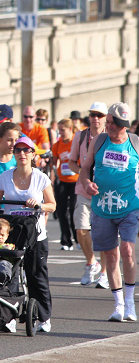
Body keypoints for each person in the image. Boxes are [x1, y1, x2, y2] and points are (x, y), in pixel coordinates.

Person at [79, 102, 139, 322]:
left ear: (124, 125)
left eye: (113, 123)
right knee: (111, 256)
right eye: (108, 121)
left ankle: (130, 303)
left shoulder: (135, 144)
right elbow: (85, 169)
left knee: (128, 251)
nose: (108, 125)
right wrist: (86, 183)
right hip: (102, 208)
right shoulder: (99, 141)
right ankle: (118, 305)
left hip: (130, 207)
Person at [0, 135, 56, 333]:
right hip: (11, 234)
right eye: (18, 150)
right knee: (9, 275)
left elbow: (52, 205)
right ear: (13, 154)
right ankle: (10, 316)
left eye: (26, 150)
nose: (22, 154)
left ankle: (44, 318)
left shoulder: (41, 178)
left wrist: (39, 204)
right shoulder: (4, 177)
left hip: (35, 235)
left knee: (36, 276)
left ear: (33, 154)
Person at [68, 102, 109, 288]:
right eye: (93, 114)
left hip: (106, 192)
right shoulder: (81, 136)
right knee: (81, 229)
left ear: (106, 118)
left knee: (103, 234)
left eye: (99, 115)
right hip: (84, 189)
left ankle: (104, 273)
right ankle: (91, 262)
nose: (95, 118)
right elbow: (71, 162)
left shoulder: (111, 136)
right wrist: (84, 176)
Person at [52, 118, 78, 251]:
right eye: (59, 130)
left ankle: (78, 239)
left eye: (63, 130)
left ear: (70, 129)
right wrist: (52, 180)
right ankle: (66, 241)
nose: (60, 133)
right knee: (61, 211)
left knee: (74, 210)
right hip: (62, 181)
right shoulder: (57, 145)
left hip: (75, 181)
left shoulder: (76, 142)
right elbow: (55, 164)